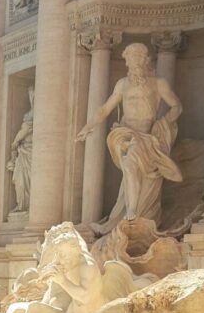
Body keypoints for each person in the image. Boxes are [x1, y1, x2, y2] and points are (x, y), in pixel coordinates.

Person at [76, 42, 182, 232]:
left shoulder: (158, 83)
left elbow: (177, 106)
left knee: (134, 172)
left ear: (144, 59)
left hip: (148, 136)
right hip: (126, 134)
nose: (132, 63)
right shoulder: (122, 84)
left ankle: (130, 213)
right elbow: (104, 109)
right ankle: (131, 211)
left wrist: (163, 123)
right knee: (130, 164)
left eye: (136, 58)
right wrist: (88, 126)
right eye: (129, 59)